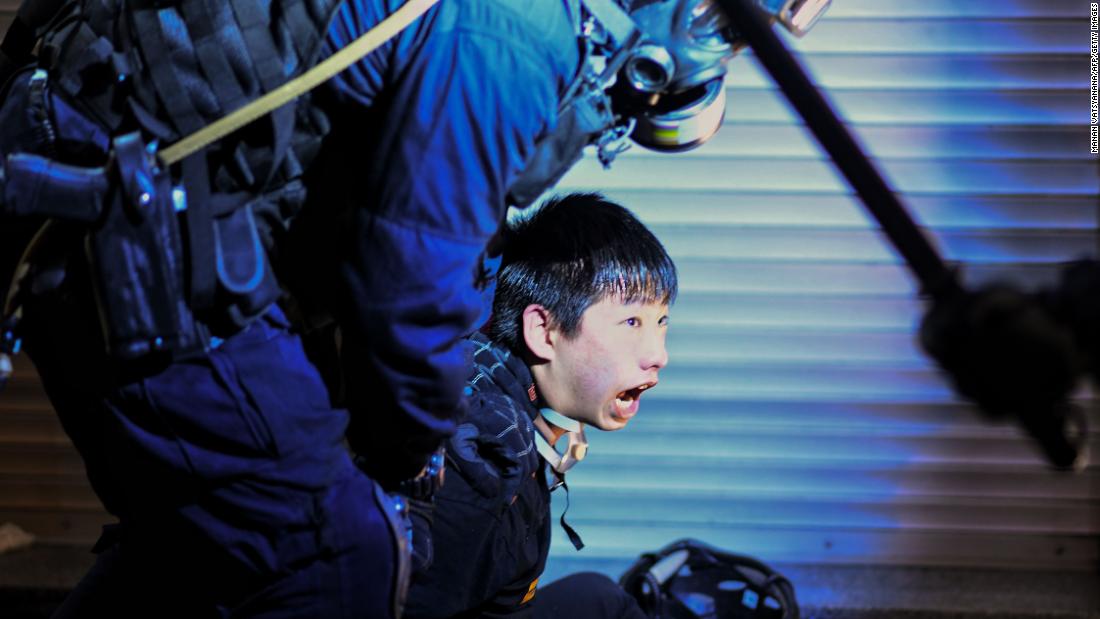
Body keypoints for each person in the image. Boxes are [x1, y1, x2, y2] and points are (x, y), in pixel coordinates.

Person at [0, 0, 828, 616]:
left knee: (222, 530)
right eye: (725, 25)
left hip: (138, 206)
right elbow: (411, 284)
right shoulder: (516, 32)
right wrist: (405, 460)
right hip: (124, 221)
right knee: (337, 552)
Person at [404, 192, 676, 619]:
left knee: (601, 598)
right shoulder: (480, 464)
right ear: (543, 330)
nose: (658, 354)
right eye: (631, 322)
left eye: (661, 322)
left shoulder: (504, 393)